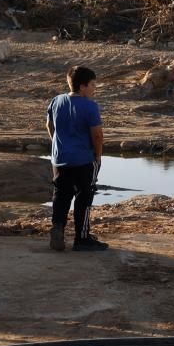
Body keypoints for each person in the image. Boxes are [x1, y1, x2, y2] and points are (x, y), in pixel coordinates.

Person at [46, 65, 107, 252]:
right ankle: (82, 238)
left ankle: (58, 229)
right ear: (82, 86)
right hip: (83, 159)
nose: (95, 89)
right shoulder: (90, 106)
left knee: (61, 195)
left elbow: (49, 125)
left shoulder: (56, 101)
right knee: (84, 196)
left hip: (60, 158)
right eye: (93, 85)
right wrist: (97, 156)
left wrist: (58, 145)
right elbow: (97, 135)